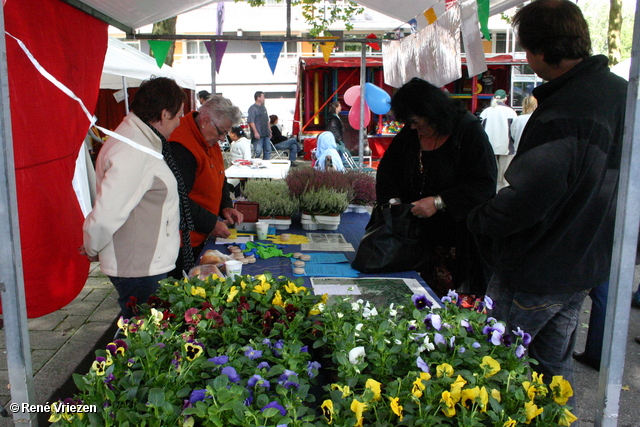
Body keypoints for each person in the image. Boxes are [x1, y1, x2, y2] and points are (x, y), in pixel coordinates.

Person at [467, 0, 627, 399]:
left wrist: (479, 218)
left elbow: (530, 195)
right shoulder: (623, 94)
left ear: (539, 51)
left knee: (490, 366)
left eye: (525, 49)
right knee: (552, 369)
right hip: (585, 262)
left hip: (538, 266)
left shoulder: (567, 107)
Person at [376, 77, 497, 296]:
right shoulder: (411, 133)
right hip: (414, 239)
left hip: (459, 243)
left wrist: (439, 202)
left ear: (432, 112)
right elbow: (388, 171)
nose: (413, 127)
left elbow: (484, 184)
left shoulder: (467, 131)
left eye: (416, 121)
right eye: (408, 123)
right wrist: (393, 203)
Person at [82, 77, 188, 319]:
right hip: (139, 268)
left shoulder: (139, 141)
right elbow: (106, 215)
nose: (180, 122)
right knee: (143, 343)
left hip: (142, 264)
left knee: (144, 337)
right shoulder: (134, 150)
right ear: (163, 114)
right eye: (178, 115)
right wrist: (92, 245)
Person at [169, 95, 245, 277]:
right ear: (205, 121)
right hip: (182, 240)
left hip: (201, 234)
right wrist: (212, 223)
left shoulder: (208, 136)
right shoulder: (181, 145)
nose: (221, 138)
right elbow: (178, 199)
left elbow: (219, 175)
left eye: (225, 133)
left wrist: (225, 205)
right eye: (221, 132)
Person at [480, 89, 518, 191]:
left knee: (492, 173)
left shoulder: (486, 112)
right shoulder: (510, 112)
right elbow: (514, 130)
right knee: (505, 175)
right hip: (506, 146)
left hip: (489, 146)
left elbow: (480, 129)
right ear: (505, 98)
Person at [248, 91, 271, 159]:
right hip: (258, 134)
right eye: (263, 97)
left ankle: (266, 164)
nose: (264, 98)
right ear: (258, 98)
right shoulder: (252, 108)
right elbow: (251, 121)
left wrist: (270, 131)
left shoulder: (264, 108)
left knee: (268, 150)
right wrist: (255, 132)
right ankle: (255, 165)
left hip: (266, 133)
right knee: (258, 151)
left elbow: (267, 120)